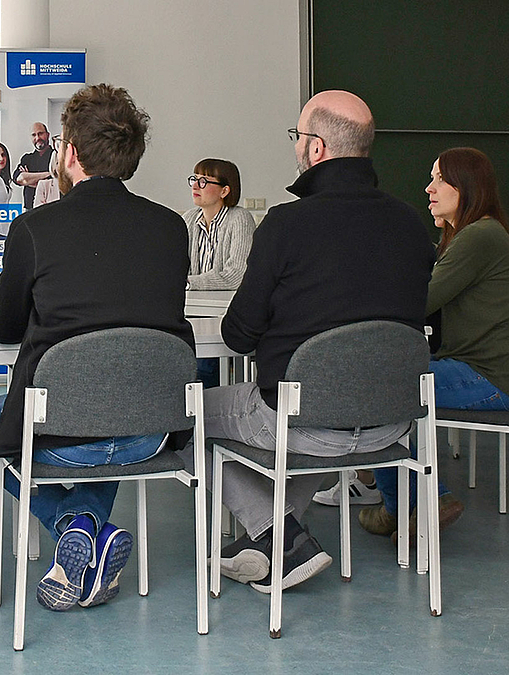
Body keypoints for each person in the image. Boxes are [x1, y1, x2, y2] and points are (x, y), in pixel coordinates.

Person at [177, 90, 435, 594]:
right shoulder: (410, 224)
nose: (296, 146)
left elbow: (238, 333)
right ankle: (266, 543)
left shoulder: (287, 224)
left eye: (298, 137)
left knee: (180, 415)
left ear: (316, 148)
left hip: (305, 422)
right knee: (322, 401)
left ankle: (279, 535)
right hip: (391, 421)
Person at [0, 84, 194, 612]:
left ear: (69, 154)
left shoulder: (33, 228)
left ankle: (72, 523)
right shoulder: (171, 228)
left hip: (61, 433)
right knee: (114, 397)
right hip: (152, 430)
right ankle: (87, 532)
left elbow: (5, 330)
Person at [354, 148, 509, 535]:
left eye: (440, 179)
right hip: (477, 369)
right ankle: (407, 501)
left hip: (489, 378)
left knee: (376, 386)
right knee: (379, 384)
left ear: (467, 186)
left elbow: (420, 301)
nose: (428, 189)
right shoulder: (469, 236)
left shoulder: (479, 236)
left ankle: (418, 500)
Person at [184, 159, 256, 291]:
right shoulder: (189, 218)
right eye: (195, 179)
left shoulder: (240, 219)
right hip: (192, 302)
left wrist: (188, 283)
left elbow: (236, 276)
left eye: (203, 181)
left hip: (226, 305)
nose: (195, 186)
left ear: (224, 191)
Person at [13, 122, 55, 209]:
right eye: (33, 135)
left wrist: (30, 180)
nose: (37, 138)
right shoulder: (27, 159)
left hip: (51, 208)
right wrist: (50, 174)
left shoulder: (56, 156)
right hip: (30, 209)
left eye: (40, 134)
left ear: (47, 135)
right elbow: (20, 179)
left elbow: (58, 182)